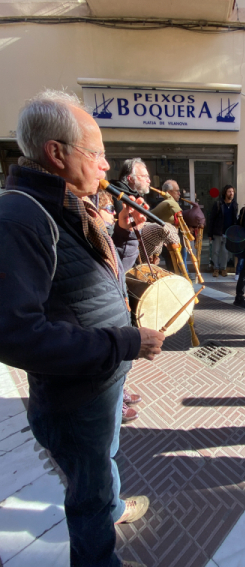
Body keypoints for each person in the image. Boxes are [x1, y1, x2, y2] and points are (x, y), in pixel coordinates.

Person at [0, 90, 165, 567]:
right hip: (74, 400)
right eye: (96, 153)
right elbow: (16, 334)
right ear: (57, 153)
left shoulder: (68, 206)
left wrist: (125, 238)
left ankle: (112, 508)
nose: (105, 166)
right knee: (87, 494)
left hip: (98, 384)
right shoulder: (20, 218)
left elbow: (88, 284)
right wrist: (124, 342)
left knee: (102, 464)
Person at [98, 190, 144, 424]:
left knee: (119, 367)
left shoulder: (107, 234)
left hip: (114, 318)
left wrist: (126, 232)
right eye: (108, 210)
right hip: (101, 331)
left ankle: (119, 391)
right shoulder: (91, 232)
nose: (114, 214)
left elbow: (120, 267)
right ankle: (116, 402)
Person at [208, 184, 238, 277]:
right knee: (215, 251)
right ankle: (216, 268)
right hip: (218, 232)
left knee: (225, 253)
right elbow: (211, 219)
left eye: (232, 191)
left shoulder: (234, 205)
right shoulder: (218, 204)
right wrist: (210, 233)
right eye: (229, 191)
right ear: (225, 193)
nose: (231, 193)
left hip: (228, 233)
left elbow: (235, 219)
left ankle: (223, 268)